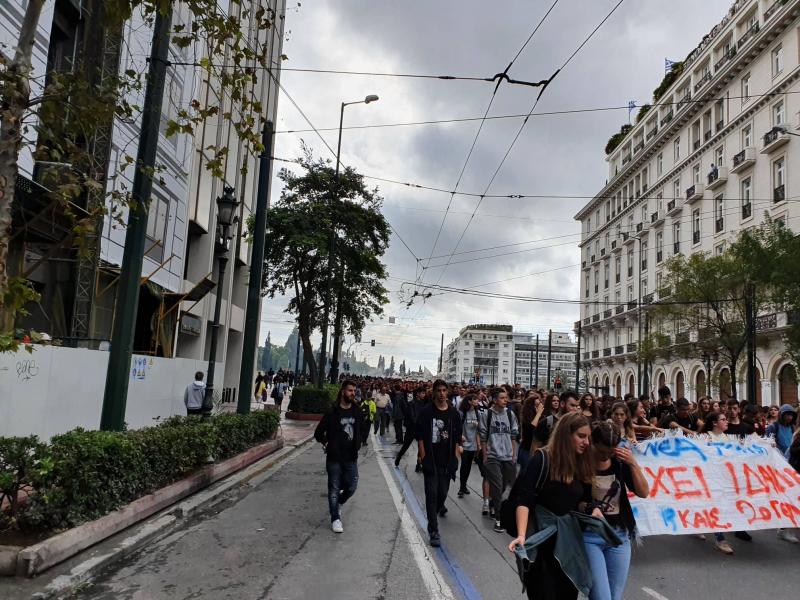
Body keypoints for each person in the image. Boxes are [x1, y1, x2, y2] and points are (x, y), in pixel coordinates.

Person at [508, 413, 615, 600]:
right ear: (566, 435)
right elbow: (524, 500)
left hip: (568, 544)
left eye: (588, 437)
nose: (586, 442)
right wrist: (522, 536)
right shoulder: (542, 459)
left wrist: (593, 509)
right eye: (581, 436)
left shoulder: (581, 462)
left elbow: (580, 501)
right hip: (541, 544)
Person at [583, 422, 649, 600]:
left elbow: (644, 492)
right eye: (602, 451)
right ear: (593, 442)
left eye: (611, 451)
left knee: (614, 596)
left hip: (619, 535)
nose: (606, 456)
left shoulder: (620, 462)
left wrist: (633, 464)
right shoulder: (581, 461)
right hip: (589, 537)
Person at [416, 379, 462, 547]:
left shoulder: (454, 414)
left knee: (442, 494)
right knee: (432, 494)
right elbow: (420, 436)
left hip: (447, 461)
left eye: (444, 390)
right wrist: (423, 457)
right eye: (439, 390)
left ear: (447, 392)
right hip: (431, 460)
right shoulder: (426, 412)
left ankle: (432, 517)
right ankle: (434, 530)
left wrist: (455, 458)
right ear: (434, 392)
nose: (442, 394)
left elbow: (457, 438)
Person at [313, 380, 362, 533]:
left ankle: (339, 502)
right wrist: (326, 442)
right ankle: (335, 518)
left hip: (351, 457)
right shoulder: (332, 411)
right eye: (349, 390)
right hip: (334, 457)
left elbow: (362, 429)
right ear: (342, 392)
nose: (352, 393)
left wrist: (358, 442)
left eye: (354, 390)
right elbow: (318, 433)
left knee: (352, 486)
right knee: (334, 488)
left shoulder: (357, 411)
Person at [480, 388, 519, 532]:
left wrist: (513, 454)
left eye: (506, 397)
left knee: (505, 485)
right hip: (492, 456)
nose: (505, 400)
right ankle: (498, 518)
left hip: (508, 456)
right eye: (502, 398)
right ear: (495, 400)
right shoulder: (487, 414)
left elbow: (514, 435)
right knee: (496, 485)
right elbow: (483, 436)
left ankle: (492, 502)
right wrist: (485, 454)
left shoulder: (510, 414)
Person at [458, 393, 483, 497]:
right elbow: (457, 427)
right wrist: (460, 437)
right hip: (463, 444)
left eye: (477, 399)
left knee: (468, 466)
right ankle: (461, 487)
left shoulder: (478, 413)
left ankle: (464, 486)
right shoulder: (462, 413)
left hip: (473, 444)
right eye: (475, 399)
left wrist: (479, 445)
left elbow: (479, 430)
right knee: (464, 465)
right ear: (469, 401)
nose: (477, 401)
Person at [395, 387, 426, 470]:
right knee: (406, 445)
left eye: (424, 393)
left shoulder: (423, 403)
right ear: (418, 394)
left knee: (421, 446)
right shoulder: (411, 403)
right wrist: (419, 421)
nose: (424, 395)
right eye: (422, 393)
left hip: (420, 429)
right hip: (412, 429)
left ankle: (419, 464)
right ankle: (399, 457)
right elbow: (412, 417)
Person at [518, 391, 544, 470]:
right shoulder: (527, 418)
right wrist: (538, 414)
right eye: (536, 405)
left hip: (536, 451)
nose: (538, 408)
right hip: (527, 450)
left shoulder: (542, 418)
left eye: (539, 405)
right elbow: (531, 428)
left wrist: (539, 415)